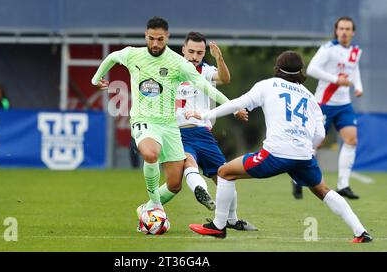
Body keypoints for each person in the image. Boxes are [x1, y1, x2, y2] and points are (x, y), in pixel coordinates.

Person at [187, 51, 372, 243]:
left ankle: (218, 226)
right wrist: (304, 149)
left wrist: (204, 115)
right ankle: (361, 232)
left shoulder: (267, 85)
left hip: (276, 155)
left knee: (225, 172)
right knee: (323, 190)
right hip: (304, 156)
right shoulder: (310, 97)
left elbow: (237, 103)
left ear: (277, 68)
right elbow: (320, 135)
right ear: (301, 71)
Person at [91, 17, 229, 228]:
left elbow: (206, 87)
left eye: (160, 39)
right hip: (143, 119)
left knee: (174, 185)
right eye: (151, 38)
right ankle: (155, 204)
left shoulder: (178, 63)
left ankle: (146, 210)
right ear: (146, 36)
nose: (155, 44)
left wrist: (233, 105)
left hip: (169, 126)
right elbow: (111, 57)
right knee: (150, 153)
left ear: (167, 38)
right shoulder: (132, 54)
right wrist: (96, 79)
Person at [173, 31, 257, 231]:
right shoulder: (172, 69)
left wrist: (219, 58)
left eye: (199, 52)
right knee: (188, 163)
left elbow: (224, 78)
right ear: (183, 50)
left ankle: (232, 219)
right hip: (177, 131)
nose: (195, 56)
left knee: (224, 175)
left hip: (203, 133)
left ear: (204, 54)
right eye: (191, 51)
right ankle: (202, 193)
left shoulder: (206, 71)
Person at [293, 16, 363, 200]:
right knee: (315, 142)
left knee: (351, 140)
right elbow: (312, 69)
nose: (344, 32)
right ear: (336, 30)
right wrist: (335, 80)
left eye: (348, 29)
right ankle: (298, 179)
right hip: (323, 103)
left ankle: (344, 185)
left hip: (344, 104)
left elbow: (354, 69)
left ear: (353, 32)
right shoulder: (328, 49)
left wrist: (358, 87)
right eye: (341, 28)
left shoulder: (355, 51)